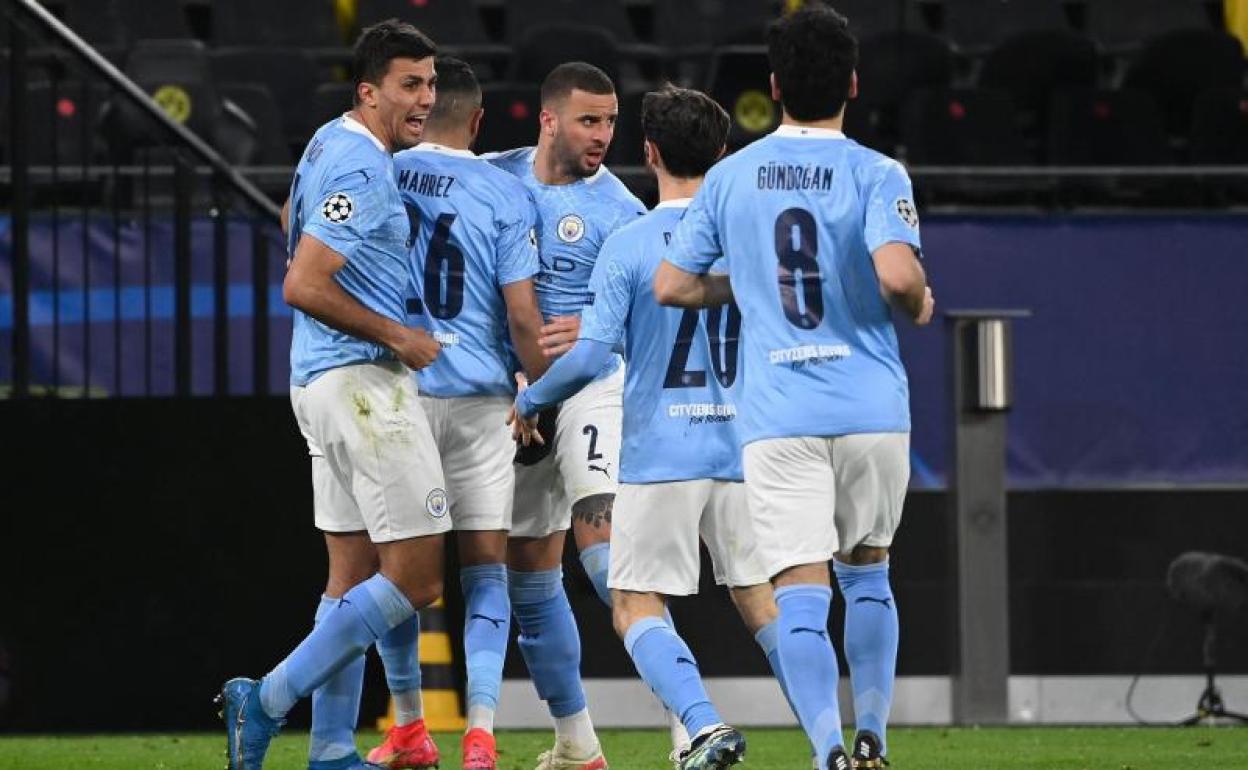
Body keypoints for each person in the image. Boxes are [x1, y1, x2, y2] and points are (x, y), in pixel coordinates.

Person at [654, 6, 935, 770]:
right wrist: (918, 300)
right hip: (870, 408)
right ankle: (874, 735)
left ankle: (828, 751)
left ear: (774, 87)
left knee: (800, 591)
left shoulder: (730, 177)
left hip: (780, 416)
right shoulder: (877, 172)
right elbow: (897, 275)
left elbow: (672, 285)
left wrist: (748, 284)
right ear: (853, 83)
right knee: (868, 573)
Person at [514, 85, 799, 770]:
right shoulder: (748, 242)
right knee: (762, 603)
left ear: (648, 152)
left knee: (633, 601)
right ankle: (832, 744)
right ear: (722, 154)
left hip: (660, 455)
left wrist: (531, 401)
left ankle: (701, 725)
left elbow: (589, 358)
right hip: (739, 451)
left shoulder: (630, 242)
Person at [218, 20, 448, 770]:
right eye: (410, 84)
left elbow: (295, 222)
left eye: (431, 83)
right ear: (369, 91)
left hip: (317, 381)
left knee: (349, 578)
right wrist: (398, 334)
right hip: (361, 387)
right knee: (416, 577)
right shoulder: (363, 169)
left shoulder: (327, 141)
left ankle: (330, 750)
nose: (425, 98)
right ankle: (268, 699)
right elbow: (303, 282)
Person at [371, 56, 548, 770]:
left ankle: (409, 726)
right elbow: (523, 316)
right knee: (485, 571)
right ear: (477, 121)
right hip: (481, 404)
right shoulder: (505, 193)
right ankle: (481, 732)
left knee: (397, 572)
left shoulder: (382, 170)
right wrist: (537, 394)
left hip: (400, 392)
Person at [486, 62, 646, 770]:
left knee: (603, 547)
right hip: (514, 397)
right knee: (529, 576)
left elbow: (659, 311)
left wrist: (604, 326)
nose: (603, 135)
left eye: (610, 121)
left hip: (589, 389)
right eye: (589, 120)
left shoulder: (621, 211)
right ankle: (577, 743)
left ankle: (688, 721)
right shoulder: (492, 175)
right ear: (547, 119)